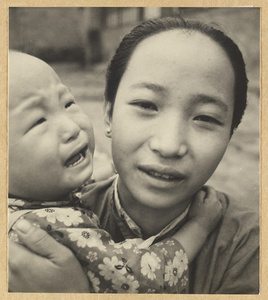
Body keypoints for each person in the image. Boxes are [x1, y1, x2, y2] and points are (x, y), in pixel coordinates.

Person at [9, 16, 259, 294]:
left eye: (206, 118)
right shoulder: (51, 221)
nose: (169, 145)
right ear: (108, 113)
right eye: (146, 105)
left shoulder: (250, 248)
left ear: (230, 134)